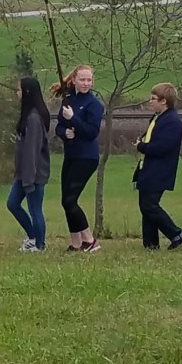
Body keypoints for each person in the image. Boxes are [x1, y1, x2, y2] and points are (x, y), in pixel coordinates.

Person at [54, 65, 103, 252]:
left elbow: (91, 132)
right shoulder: (68, 100)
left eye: (89, 80)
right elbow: (59, 126)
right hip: (71, 155)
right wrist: (64, 132)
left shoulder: (94, 105)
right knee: (65, 199)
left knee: (70, 200)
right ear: (74, 80)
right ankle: (76, 243)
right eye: (82, 79)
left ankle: (90, 240)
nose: (86, 83)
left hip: (86, 157)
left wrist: (73, 119)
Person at [134, 83, 182, 250]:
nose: (150, 102)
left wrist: (141, 146)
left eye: (153, 99)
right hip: (147, 169)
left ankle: (176, 234)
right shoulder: (158, 117)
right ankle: (151, 244)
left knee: (150, 205)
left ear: (164, 101)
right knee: (145, 206)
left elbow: (163, 147)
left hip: (159, 170)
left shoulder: (172, 122)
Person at [9, 77, 51, 252]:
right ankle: (33, 236)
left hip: (33, 174)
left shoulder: (34, 118)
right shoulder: (27, 116)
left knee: (35, 209)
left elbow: (32, 150)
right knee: (12, 203)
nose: (17, 93)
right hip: (23, 173)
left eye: (19, 90)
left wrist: (29, 178)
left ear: (26, 92)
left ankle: (39, 245)